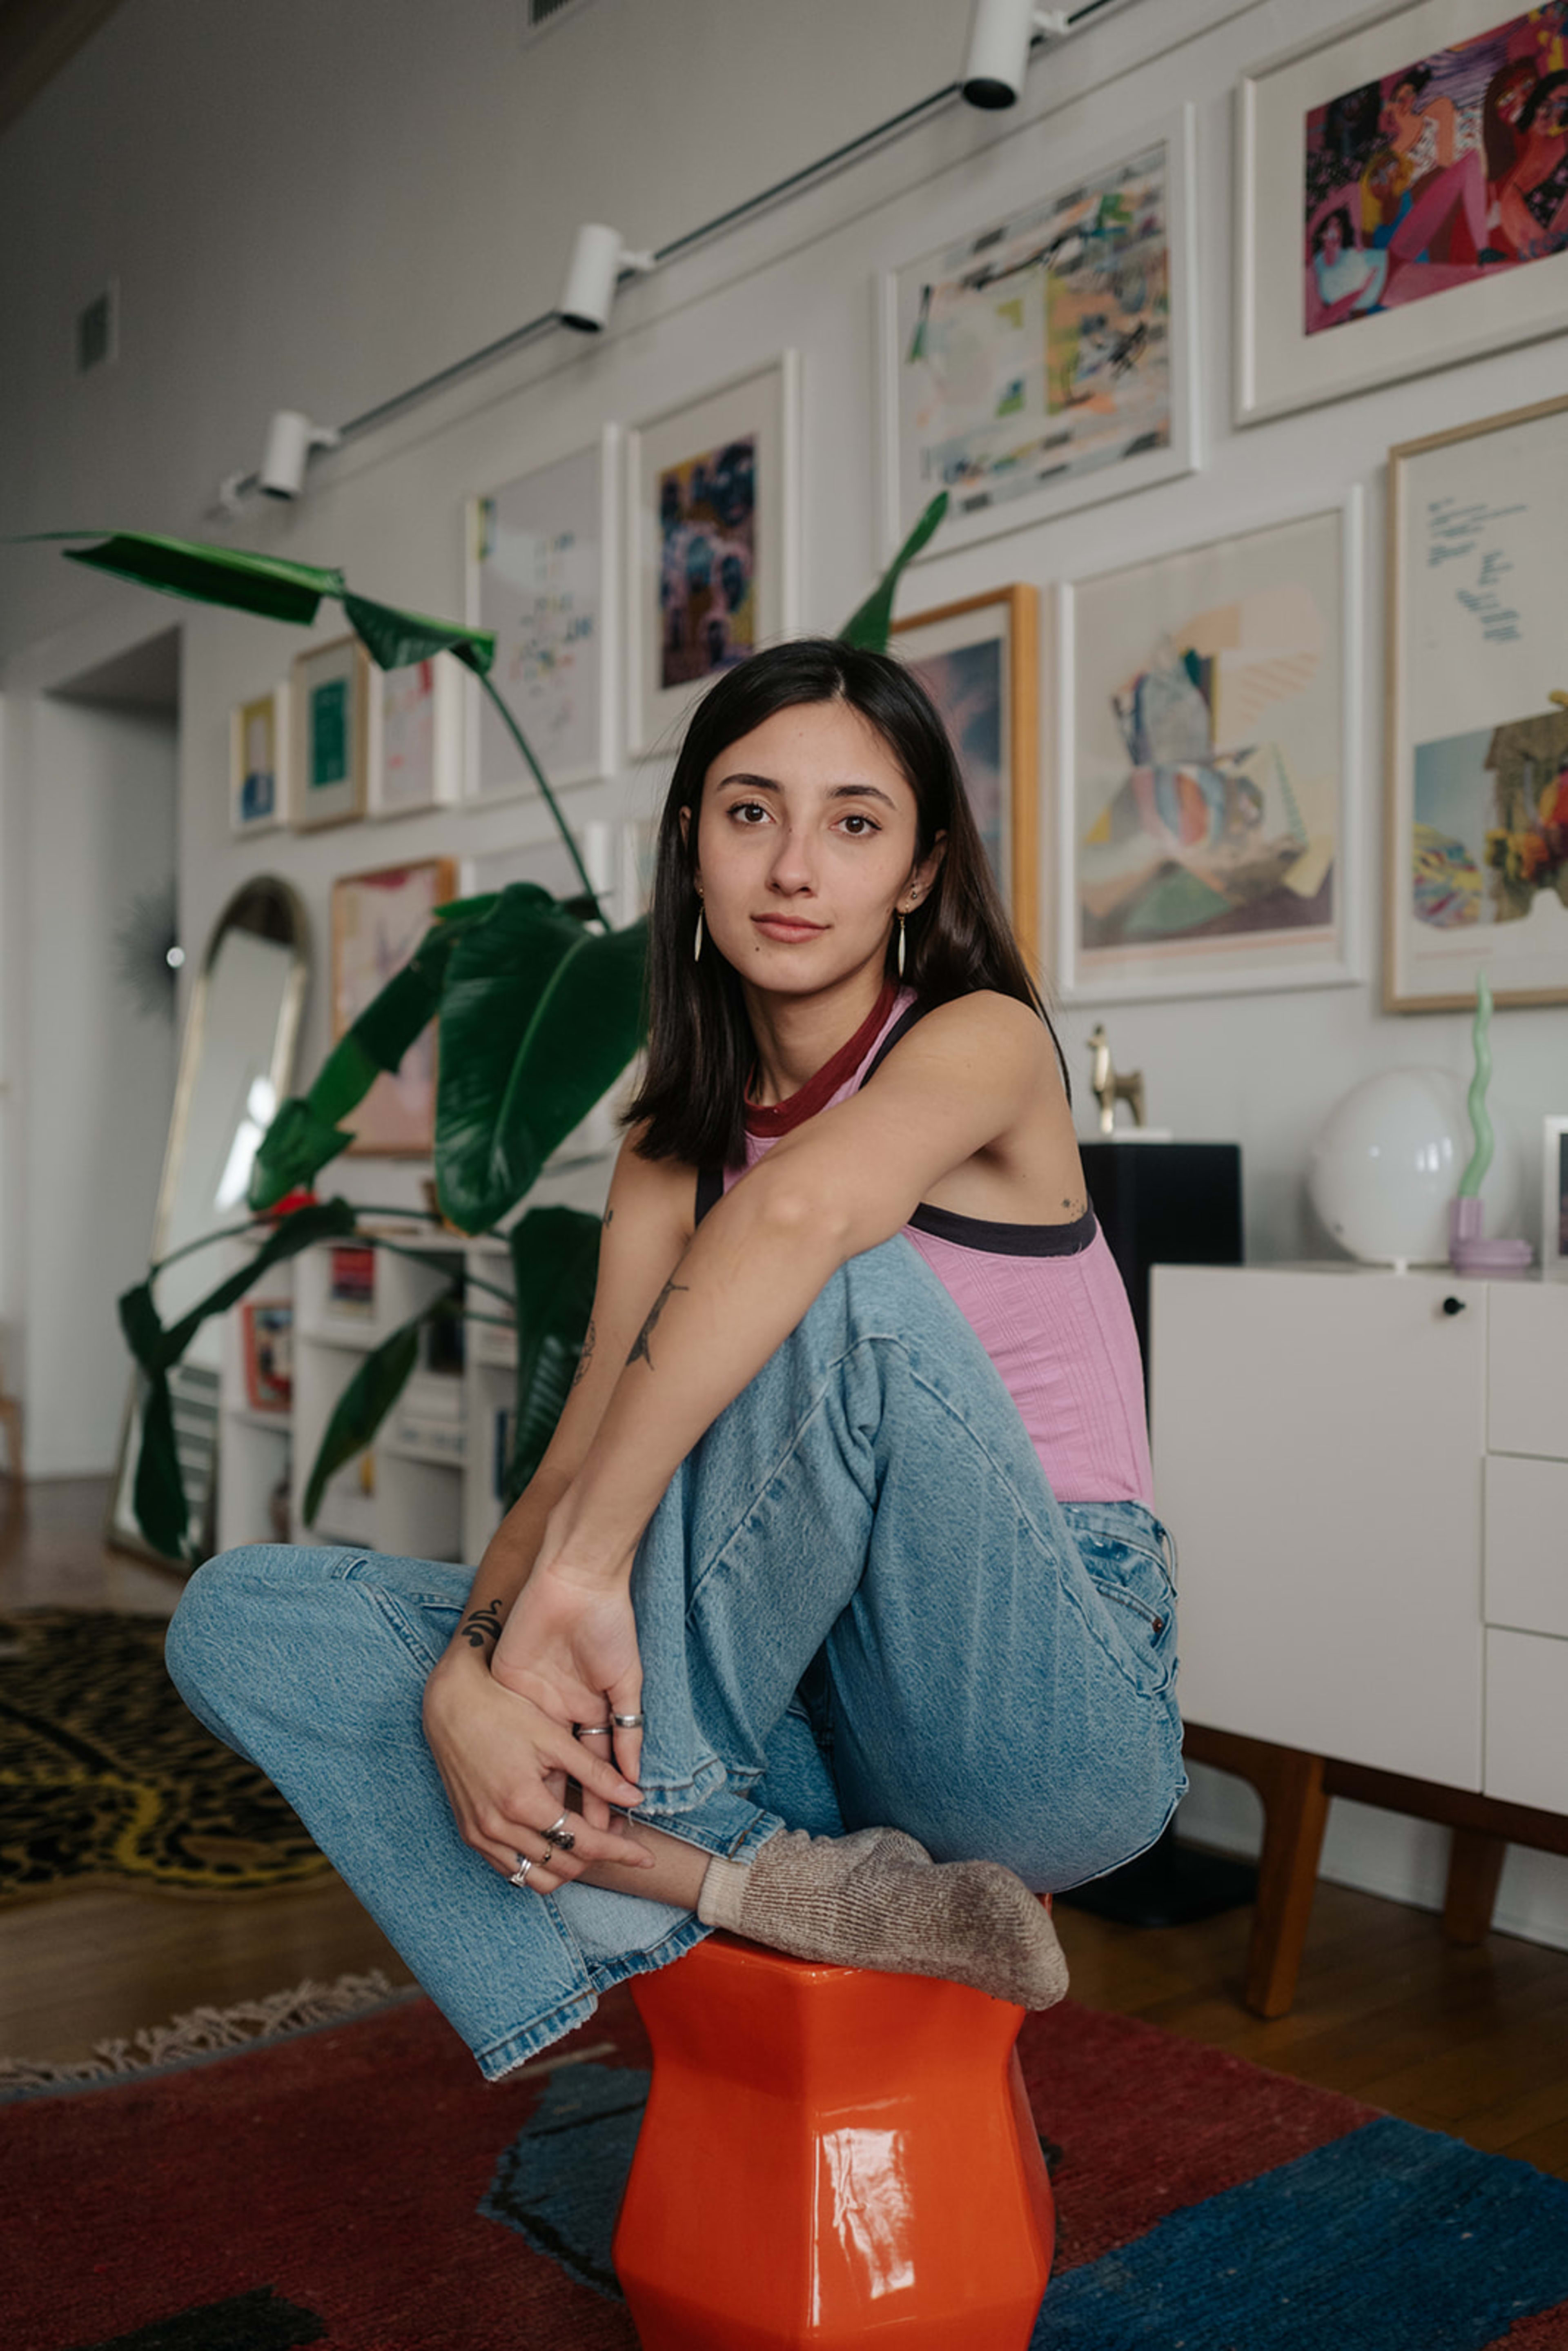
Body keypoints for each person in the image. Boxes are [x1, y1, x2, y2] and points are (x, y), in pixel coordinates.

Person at [166, 638, 1186, 2084]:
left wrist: (570, 1598)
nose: (793, 867)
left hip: (1045, 1706)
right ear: (692, 846)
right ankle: (725, 1874)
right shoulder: (668, 1144)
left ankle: (640, 1835)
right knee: (239, 1618)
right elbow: (582, 1448)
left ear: (916, 872)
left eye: (854, 824)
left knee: (848, 1290)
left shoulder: (984, 1041)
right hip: (813, 1705)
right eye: (750, 812)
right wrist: (476, 1670)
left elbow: (803, 1215)